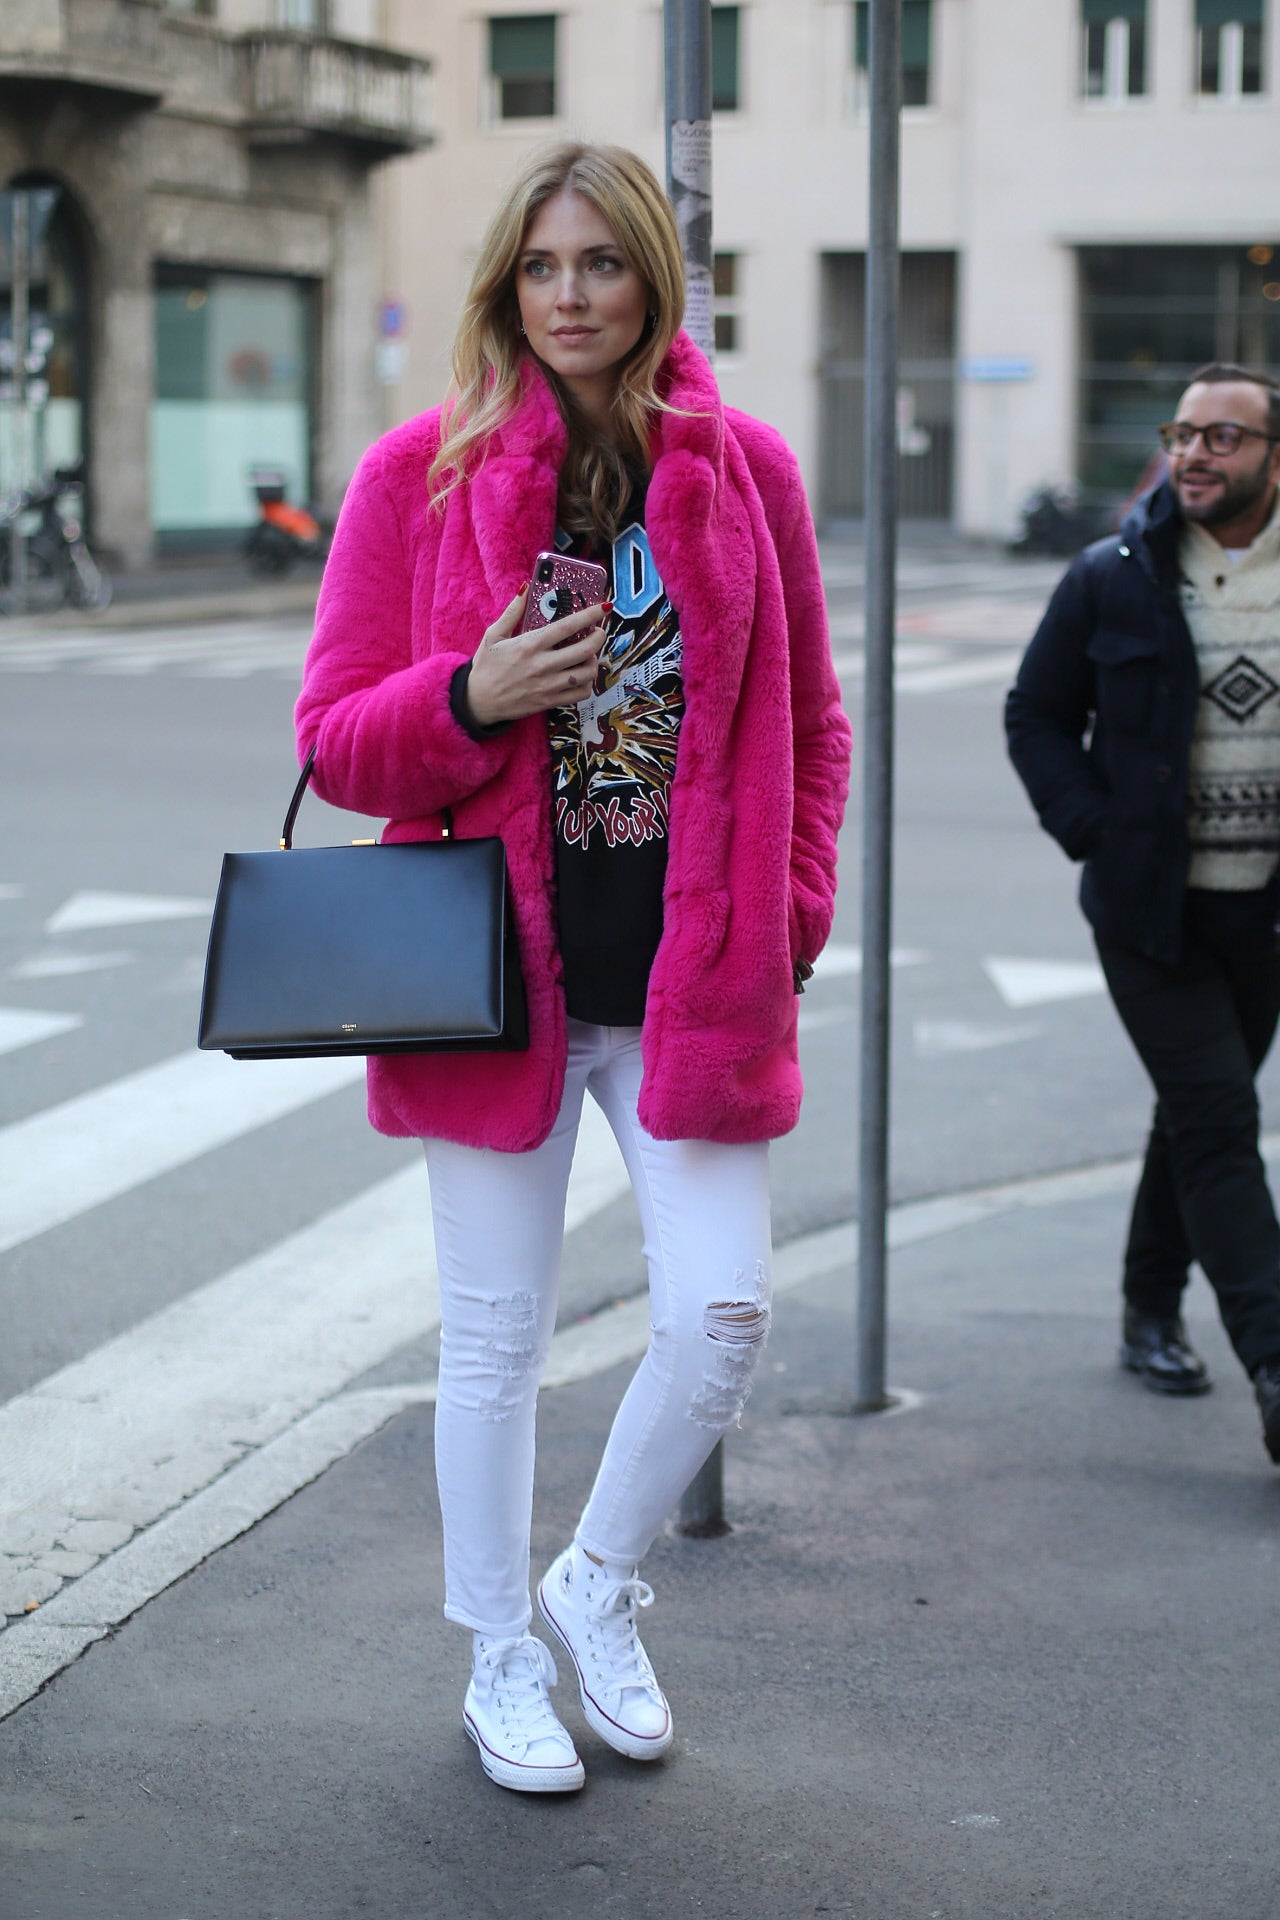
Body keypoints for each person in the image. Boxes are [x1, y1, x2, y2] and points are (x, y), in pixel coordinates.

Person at [295, 143, 852, 1794]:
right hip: (495, 985)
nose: (571, 295)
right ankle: (496, 1657)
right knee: (493, 1343)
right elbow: (334, 740)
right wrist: (472, 698)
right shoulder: (422, 474)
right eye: (542, 266)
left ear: (653, 281)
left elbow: (813, 727)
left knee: (724, 1309)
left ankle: (596, 1583)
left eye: (602, 263)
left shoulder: (745, 474)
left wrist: (790, 909)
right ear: (504, 285)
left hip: (693, 984)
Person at [1006, 361, 1280, 1466]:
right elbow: (1033, 715)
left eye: (1223, 436)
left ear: (1271, 457)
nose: (1194, 454)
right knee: (1217, 1117)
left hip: (1264, 918)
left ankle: (1146, 1306)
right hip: (1147, 913)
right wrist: (1096, 830)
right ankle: (1273, 1361)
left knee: (1197, 1113)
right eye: (1183, 434)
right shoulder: (1112, 577)